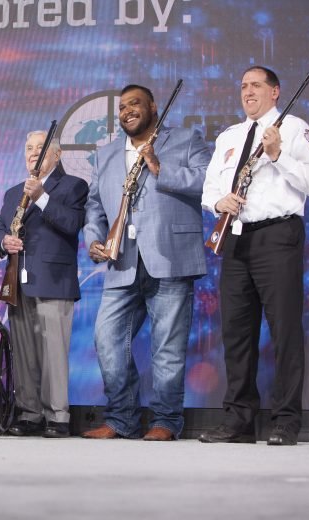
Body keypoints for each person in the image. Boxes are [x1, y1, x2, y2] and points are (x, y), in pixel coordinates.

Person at [198, 66, 309, 446]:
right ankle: (238, 421)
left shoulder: (295, 129)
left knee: (285, 331)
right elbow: (208, 190)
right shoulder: (230, 137)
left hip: (278, 236)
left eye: (256, 85)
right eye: (243, 86)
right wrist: (218, 201)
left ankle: (286, 421)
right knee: (236, 334)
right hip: (235, 239)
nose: (248, 92)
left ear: (275, 92)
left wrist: (279, 155)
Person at [82, 84, 211, 441]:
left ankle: (166, 421)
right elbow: (94, 204)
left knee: (167, 348)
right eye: (122, 107)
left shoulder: (185, 140)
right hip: (121, 262)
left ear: (153, 106)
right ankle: (121, 418)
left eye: (135, 103)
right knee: (107, 340)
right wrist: (94, 238)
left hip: (170, 257)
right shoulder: (105, 154)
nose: (127, 110)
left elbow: (207, 183)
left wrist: (160, 168)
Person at [0, 130, 88, 438]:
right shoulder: (11, 192)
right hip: (17, 281)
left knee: (53, 353)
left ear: (56, 155)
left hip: (53, 280)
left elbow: (72, 224)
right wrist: (3, 242)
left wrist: (41, 198)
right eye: (29, 148)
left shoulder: (73, 185)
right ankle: (29, 413)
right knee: (24, 352)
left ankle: (57, 416)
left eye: (41, 149)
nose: (33, 153)